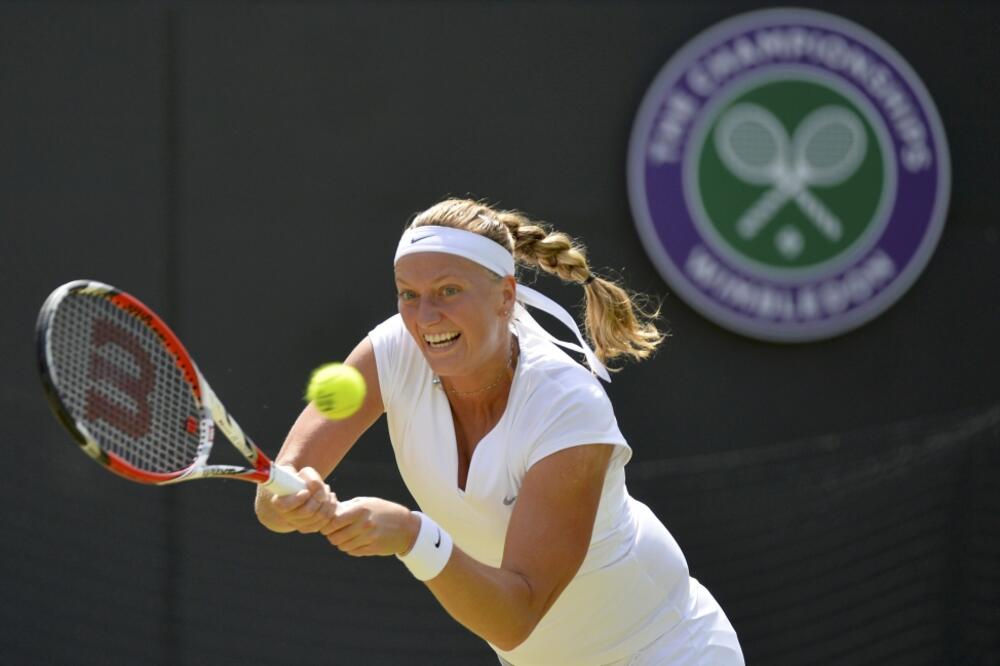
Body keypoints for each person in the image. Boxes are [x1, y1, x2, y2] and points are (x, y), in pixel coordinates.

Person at [254, 198, 745, 665]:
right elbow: (273, 499)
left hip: (667, 652)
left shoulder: (567, 405)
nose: (425, 317)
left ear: (505, 296)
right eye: (409, 293)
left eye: (449, 291)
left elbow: (516, 615)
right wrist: (292, 499)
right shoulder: (392, 350)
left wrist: (412, 534)